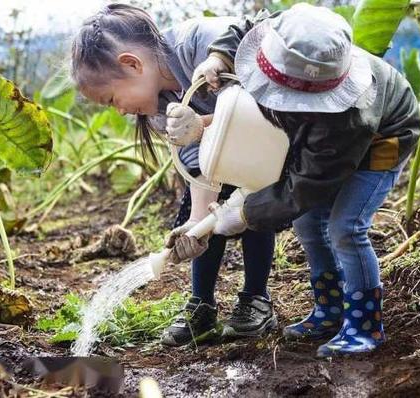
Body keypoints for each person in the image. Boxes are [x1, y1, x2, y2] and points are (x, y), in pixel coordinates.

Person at [169, 3, 420, 357]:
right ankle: (330, 310)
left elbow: (304, 186)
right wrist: (218, 58)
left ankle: (365, 326)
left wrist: (243, 214)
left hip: (386, 136)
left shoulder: (347, 120)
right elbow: (246, 29)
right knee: (307, 224)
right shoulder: (287, 39)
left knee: (345, 227)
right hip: (327, 138)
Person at [70, 3, 278, 348]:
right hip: (223, 155)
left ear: (131, 64)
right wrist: (198, 221)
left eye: (112, 100)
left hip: (271, 140)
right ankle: (201, 305)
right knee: (202, 220)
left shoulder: (200, 43)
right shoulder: (158, 109)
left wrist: (201, 126)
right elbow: (198, 167)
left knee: (254, 203)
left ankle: (255, 298)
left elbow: (263, 102)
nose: (120, 111)